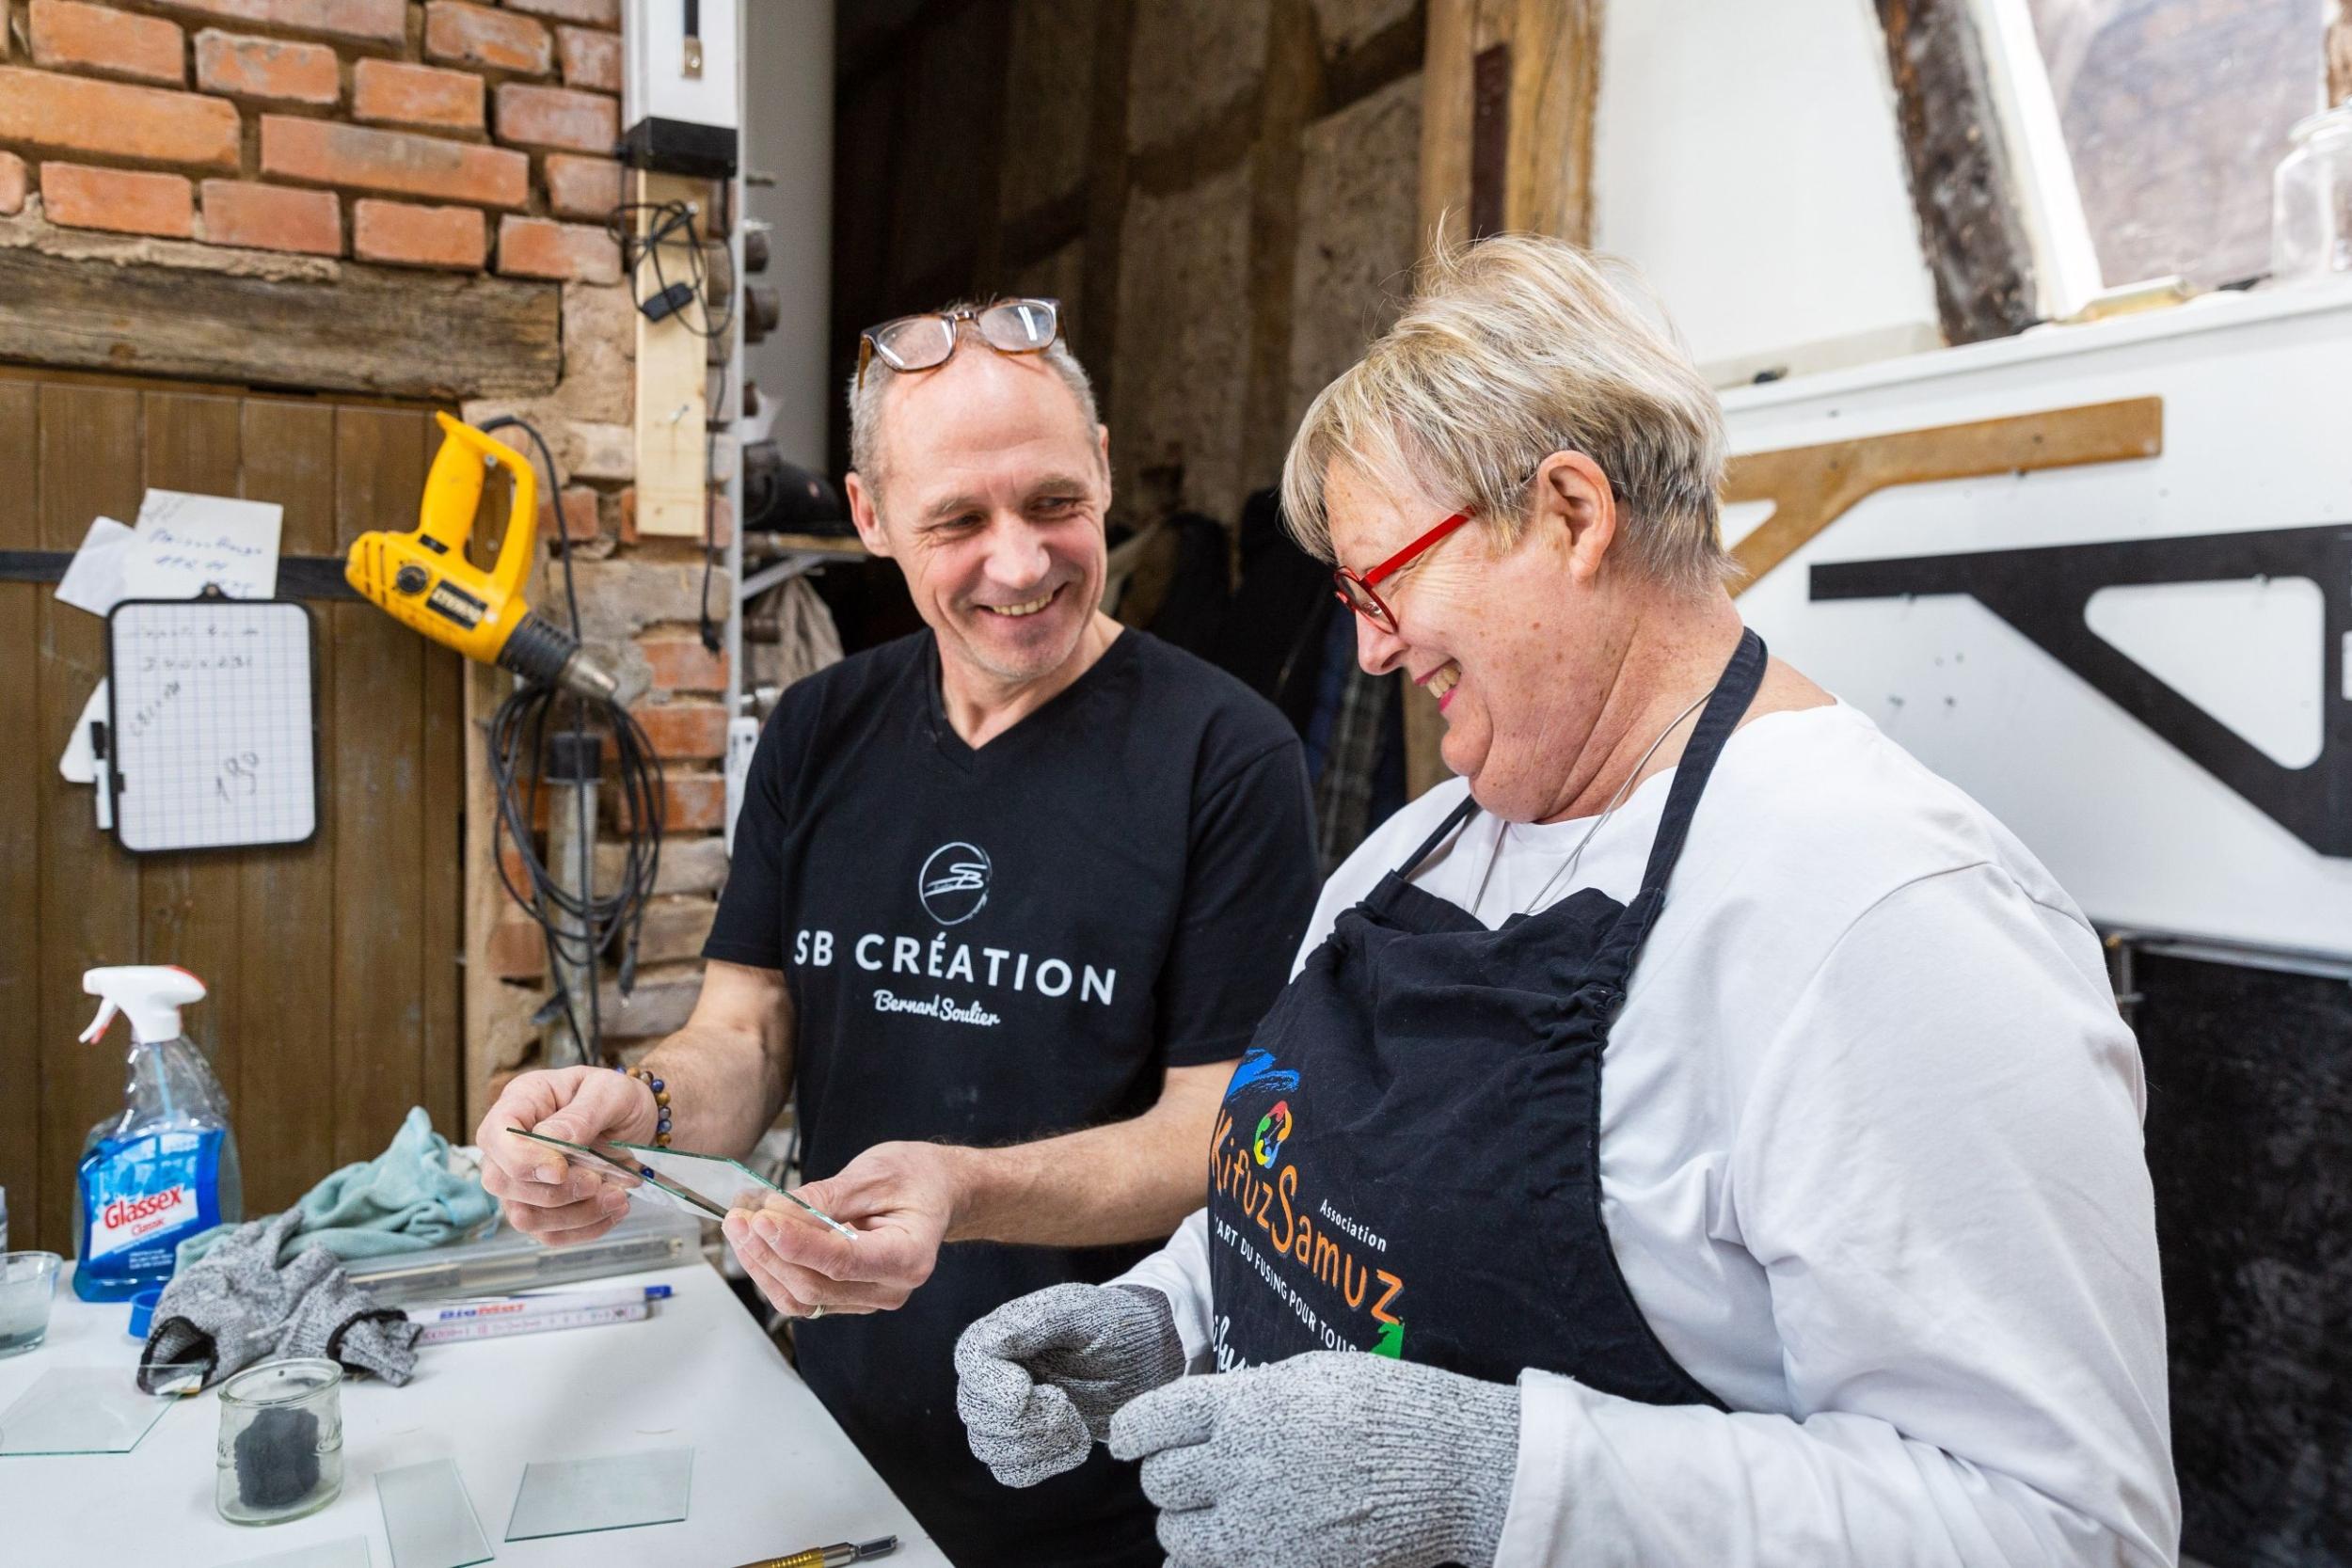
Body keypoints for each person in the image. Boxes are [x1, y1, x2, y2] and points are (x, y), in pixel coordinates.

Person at [951, 237, 2180, 1567]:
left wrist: (1502, 1479)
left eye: (1387, 581)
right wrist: (1167, 1314)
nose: (1366, 645)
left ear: (1572, 517)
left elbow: (2064, 1529)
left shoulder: (1886, 915)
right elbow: (1314, 1201)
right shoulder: (1409, 855)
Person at [472, 296, 1321, 1568]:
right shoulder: (819, 732)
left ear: (1099, 460)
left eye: (1052, 503)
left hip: (1104, 1465)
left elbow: (1223, 1138)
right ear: (870, 520)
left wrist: (962, 1191)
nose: (1021, 563)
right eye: (958, 523)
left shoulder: (1226, 756)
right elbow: (747, 1035)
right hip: (832, 1426)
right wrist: (631, 1109)